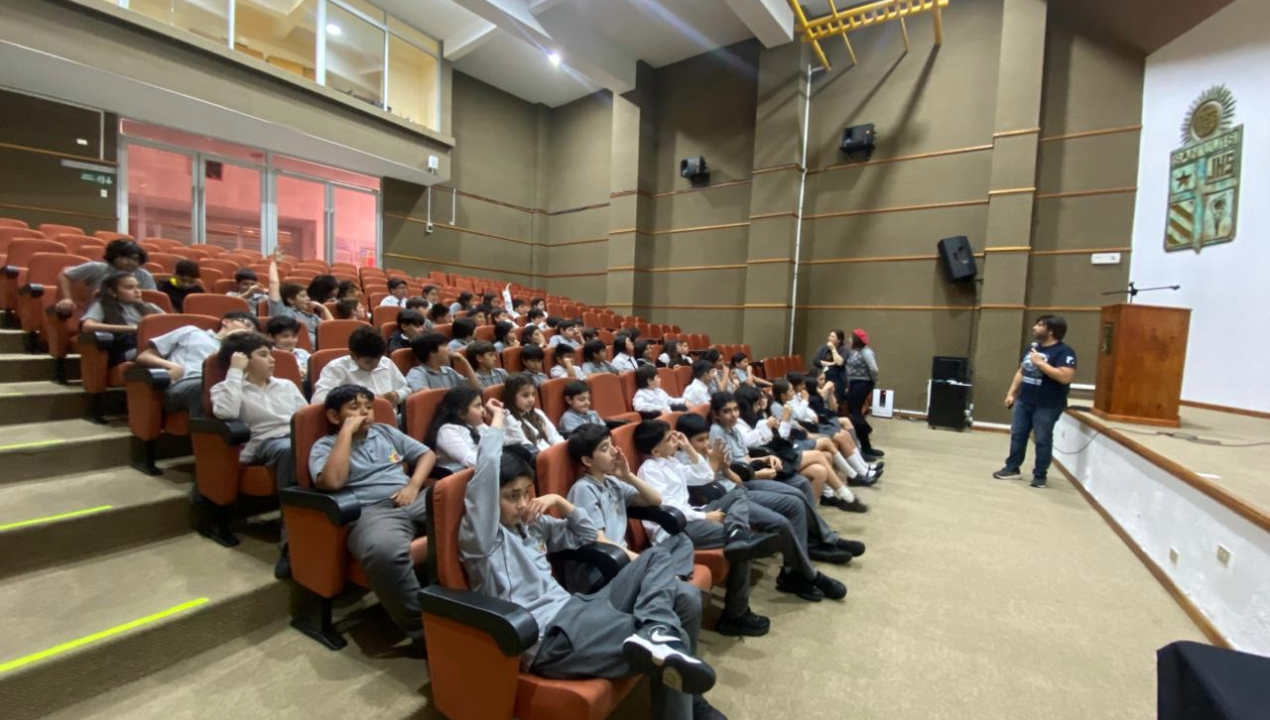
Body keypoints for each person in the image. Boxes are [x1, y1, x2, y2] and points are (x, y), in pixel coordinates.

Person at [459, 403, 722, 720]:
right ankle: (679, 682)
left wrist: (560, 502)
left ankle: (660, 639)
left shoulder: (533, 524)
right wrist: (498, 419)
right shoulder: (484, 539)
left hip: (578, 608)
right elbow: (485, 476)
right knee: (677, 630)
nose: (524, 503)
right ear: (491, 501)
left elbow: (584, 535)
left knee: (666, 568)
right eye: (512, 496)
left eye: (527, 493)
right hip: (549, 636)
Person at [310, 384, 437, 647]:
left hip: (411, 497)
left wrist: (414, 485)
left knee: (470, 505)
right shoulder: (325, 446)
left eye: (368, 407)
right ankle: (426, 633)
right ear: (333, 416)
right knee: (384, 553)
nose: (365, 412)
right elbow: (332, 482)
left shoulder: (385, 432)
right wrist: (346, 433)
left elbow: (426, 454)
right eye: (354, 407)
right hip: (372, 511)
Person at [633, 420, 782, 637]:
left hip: (692, 515)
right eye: (669, 439)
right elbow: (668, 507)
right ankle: (735, 615)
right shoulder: (650, 470)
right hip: (676, 527)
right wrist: (705, 516)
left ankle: (737, 533)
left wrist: (688, 448)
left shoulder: (671, 462)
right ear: (655, 450)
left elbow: (705, 475)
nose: (675, 439)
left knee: (738, 493)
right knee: (743, 548)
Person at [675, 413, 845, 602]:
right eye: (700, 440)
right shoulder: (680, 462)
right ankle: (809, 574)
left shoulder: (709, 451)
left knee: (795, 501)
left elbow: (736, 479)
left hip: (738, 490)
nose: (706, 443)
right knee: (781, 523)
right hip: (720, 503)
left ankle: (808, 555)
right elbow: (704, 487)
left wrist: (725, 467)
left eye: (706, 438)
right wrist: (717, 464)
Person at [708, 392, 865, 564]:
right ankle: (824, 540)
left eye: (735, 409)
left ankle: (815, 538)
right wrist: (759, 473)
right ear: (716, 414)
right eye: (727, 411)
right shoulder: (717, 432)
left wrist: (765, 459)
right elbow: (730, 469)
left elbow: (746, 459)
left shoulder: (734, 428)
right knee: (796, 497)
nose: (733, 415)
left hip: (753, 472)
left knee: (802, 483)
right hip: (743, 481)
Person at [210, 332, 306, 578]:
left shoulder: (286, 385)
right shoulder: (226, 388)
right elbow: (225, 412)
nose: (272, 359)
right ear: (242, 360)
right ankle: (291, 546)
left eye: (270, 354)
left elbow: (306, 418)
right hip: (264, 445)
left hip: (295, 439)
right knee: (289, 449)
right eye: (263, 355)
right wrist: (235, 371)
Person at [735, 385, 868, 512]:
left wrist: (781, 422)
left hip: (782, 450)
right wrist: (776, 423)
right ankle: (847, 493)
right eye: (757, 403)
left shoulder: (760, 415)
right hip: (773, 458)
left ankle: (818, 507)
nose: (760, 405)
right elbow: (753, 443)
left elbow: (784, 434)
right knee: (820, 454)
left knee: (820, 469)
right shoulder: (740, 423)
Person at [994, 315, 1077, 489]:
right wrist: (1011, 393)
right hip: (1024, 400)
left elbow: (1065, 377)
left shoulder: (1064, 352)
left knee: (1042, 439)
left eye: (1040, 325)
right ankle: (1012, 468)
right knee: (1018, 435)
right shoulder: (1032, 349)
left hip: (1048, 404)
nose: (1034, 327)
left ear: (1051, 330)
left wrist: (1040, 364)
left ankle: (1040, 476)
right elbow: (1021, 372)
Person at [134, 311, 258, 416]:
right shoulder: (192, 332)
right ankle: (205, 434)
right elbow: (144, 356)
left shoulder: (240, 350)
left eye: (253, 330)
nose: (249, 330)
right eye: (247, 324)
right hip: (186, 383)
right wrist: (173, 367)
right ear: (226, 322)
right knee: (209, 389)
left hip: (223, 385)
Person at [772, 378, 882, 488]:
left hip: (806, 430)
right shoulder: (777, 407)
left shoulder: (789, 401)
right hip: (796, 439)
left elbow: (797, 422)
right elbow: (792, 424)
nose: (794, 392)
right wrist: (804, 402)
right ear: (783, 395)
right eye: (791, 390)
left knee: (843, 434)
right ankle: (855, 475)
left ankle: (863, 469)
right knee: (835, 439)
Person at [312, 327, 410, 412]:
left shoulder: (386, 363)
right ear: (353, 355)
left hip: (389, 419)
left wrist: (397, 395)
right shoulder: (336, 369)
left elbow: (406, 389)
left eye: (378, 359)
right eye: (368, 362)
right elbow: (319, 401)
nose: (375, 365)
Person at [79, 272, 165, 366]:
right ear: (112, 292)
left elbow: (172, 324)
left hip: (154, 344)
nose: (137, 291)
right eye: (129, 288)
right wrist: (132, 328)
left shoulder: (150, 307)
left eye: (137, 287)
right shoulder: (103, 306)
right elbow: (87, 326)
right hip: (127, 348)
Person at [55, 239, 156, 315]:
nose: (131, 262)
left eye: (135, 259)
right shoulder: (97, 268)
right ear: (114, 256)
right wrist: (67, 298)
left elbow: (152, 298)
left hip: (132, 317)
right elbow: (64, 276)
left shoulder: (144, 275)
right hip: (100, 314)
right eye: (126, 258)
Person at [267, 254, 331, 346]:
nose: (308, 299)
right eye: (303, 296)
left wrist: (324, 309)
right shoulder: (281, 311)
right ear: (291, 300)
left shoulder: (311, 317)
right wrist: (274, 262)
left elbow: (332, 328)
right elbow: (273, 283)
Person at [427, 386, 488, 471]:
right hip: (467, 474)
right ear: (461, 413)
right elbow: (471, 461)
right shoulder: (448, 431)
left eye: (481, 405)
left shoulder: (476, 424)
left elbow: (504, 442)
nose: (483, 410)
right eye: (477, 406)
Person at [844, 328, 882, 459]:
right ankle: (866, 447)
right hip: (854, 384)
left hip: (862, 383)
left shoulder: (866, 352)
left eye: (851, 338)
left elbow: (874, 369)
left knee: (854, 413)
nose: (849, 340)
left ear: (856, 340)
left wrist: (874, 382)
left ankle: (866, 431)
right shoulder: (855, 352)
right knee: (856, 413)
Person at [502, 374, 564, 454]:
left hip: (552, 453)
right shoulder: (508, 421)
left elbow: (554, 436)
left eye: (533, 394)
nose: (531, 399)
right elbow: (527, 449)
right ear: (512, 397)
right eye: (525, 395)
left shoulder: (538, 413)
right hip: (537, 458)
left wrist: (562, 451)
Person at [405, 332, 480, 393]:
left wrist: (465, 361)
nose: (449, 349)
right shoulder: (417, 373)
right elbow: (426, 397)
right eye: (445, 346)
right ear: (432, 352)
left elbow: (475, 387)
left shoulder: (448, 370)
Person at [813, 330, 849, 415]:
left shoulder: (844, 350)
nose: (829, 338)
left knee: (835, 403)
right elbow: (815, 361)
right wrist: (830, 363)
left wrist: (833, 349)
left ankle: (835, 417)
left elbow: (839, 362)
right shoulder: (823, 348)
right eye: (829, 336)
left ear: (839, 340)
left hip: (838, 380)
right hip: (823, 378)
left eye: (832, 336)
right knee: (822, 401)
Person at [265, 315, 310, 381]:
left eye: (294, 336)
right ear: (271, 337)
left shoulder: (303, 353)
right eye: (285, 336)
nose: (290, 340)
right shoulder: (268, 355)